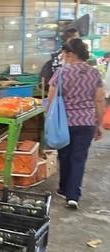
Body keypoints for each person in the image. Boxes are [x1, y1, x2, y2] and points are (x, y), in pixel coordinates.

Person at [47, 38, 106, 209]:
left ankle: (64, 188)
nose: (63, 57)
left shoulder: (61, 73)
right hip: (86, 122)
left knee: (64, 156)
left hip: (64, 122)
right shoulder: (94, 73)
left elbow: (51, 99)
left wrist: (50, 120)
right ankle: (73, 196)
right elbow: (100, 100)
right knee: (79, 158)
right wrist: (98, 124)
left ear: (70, 54)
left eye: (64, 54)